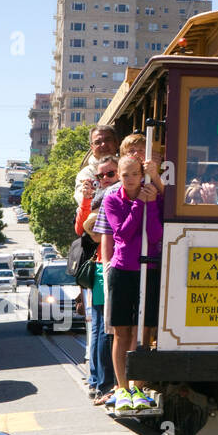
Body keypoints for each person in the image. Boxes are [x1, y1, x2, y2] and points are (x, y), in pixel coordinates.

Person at [94, 154, 165, 414]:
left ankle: (138, 386)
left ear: (142, 174)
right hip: (123, 269)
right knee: (122, 331)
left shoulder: (152, 195)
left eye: (135, 173)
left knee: (143, 330)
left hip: (149, 268)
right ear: (120, 177)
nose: (131, 179)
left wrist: (149, 203)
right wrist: (139, 205)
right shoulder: (113, 199)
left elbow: (155, 234)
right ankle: (122, 388)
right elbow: (122, 232)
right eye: (126, 175)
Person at [76, 156, 118, 401]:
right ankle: (103, 383)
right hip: (103, 268)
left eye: (109, 174)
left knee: (107, 328)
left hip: (113, 266)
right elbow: (83, 229)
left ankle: (102, 381)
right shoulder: (102, 198)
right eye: (100, 176)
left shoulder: (116, 195)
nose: (104, 180)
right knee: (102, 328)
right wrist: (86, 199)